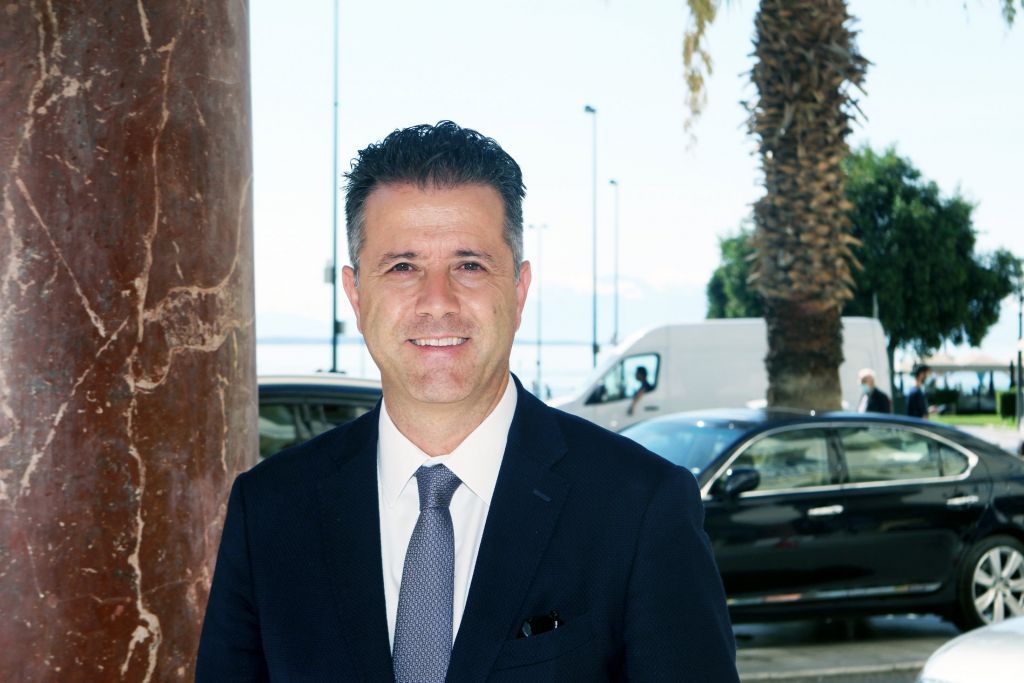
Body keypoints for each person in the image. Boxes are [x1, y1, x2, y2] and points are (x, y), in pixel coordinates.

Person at [197, 122, 739, 681]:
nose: (438, 301)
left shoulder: (640, 507)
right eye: (403, 267)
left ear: (519, 291)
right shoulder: (270, 512)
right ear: (355, 295)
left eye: (470, 266)